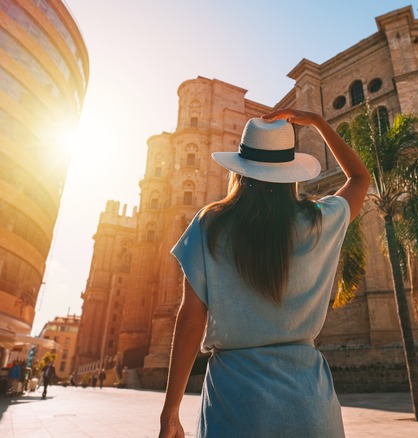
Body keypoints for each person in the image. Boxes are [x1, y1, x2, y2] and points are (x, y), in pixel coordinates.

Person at [159, 108, 371, 438]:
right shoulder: (318, 222)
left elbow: (190, 318)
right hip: (310, 406)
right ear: (290, 172)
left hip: (234, 404)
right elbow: (359, 178)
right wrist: (317, 122)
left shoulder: (210, 224)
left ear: (239, 171)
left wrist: (170, 412)